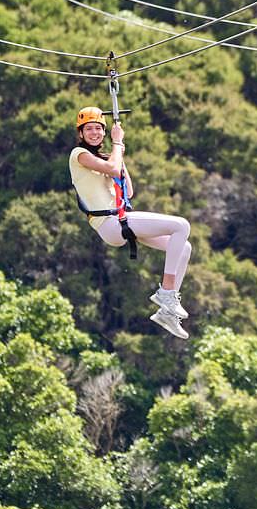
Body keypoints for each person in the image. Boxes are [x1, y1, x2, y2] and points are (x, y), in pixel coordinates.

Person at [69, 106, 192, 338]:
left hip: (119, 220)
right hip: (110, 223)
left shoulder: (105, 159)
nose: (94, 133)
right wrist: (117, 144)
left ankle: (167, 311)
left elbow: (129, 191)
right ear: (81, 133)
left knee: (184, 247)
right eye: (89, 129)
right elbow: (112, 168)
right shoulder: (79, 155)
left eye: (98, 129)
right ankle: (166, 293)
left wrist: (120, 154)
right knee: (181, 225)